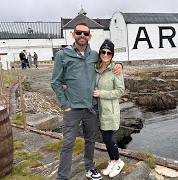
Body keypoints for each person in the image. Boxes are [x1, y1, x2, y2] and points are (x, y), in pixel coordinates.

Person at [51, 23, 123, 180]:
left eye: (85, 33)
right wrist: (64, 104)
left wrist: (119, 65)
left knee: (90, 140)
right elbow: (55, 82)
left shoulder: (94, 55)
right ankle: (62, 176)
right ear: (73, 35)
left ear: (90, 36)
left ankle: (90, 168)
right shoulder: (62, 55)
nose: (82, 36)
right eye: (79, 33)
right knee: (68, 143)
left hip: (91, 108)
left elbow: (108, 62)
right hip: (72, 109)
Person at [93, 39, 125, 178]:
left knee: (108, 139)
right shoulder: (96, 68)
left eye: (109, 53)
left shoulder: (116, 70)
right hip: (98, 111)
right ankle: (112, 161)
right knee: (105, 139)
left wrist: (102, 93)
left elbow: (120, 91)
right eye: (103, 52)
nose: (105, 54)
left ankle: (118, 161)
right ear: (100, 53)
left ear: (112, 55)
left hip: (110, 111)